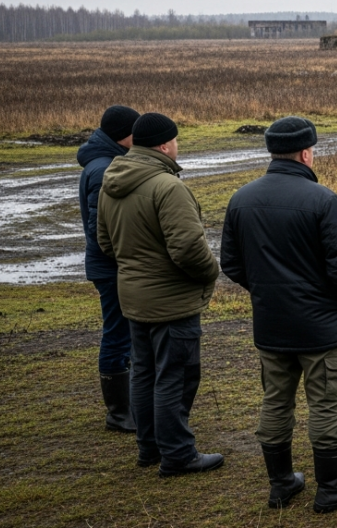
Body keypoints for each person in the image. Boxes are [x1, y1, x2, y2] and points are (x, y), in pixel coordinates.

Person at [220, 116, 337, 512]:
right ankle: (332, 489)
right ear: (307, 152)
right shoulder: (323, 199)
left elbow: (232, 264)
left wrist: (268, 293)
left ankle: (282, 484)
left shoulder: (241, 198)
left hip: (271, 322)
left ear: (272, 151)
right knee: (324, 404)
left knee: (275, 400)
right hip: (320, 326)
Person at [96, 112, 223, 477]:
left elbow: (106, 243)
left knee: (144, 372)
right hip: (171, 300)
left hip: (133, 297)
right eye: (176, 140)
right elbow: (187, 249)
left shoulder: (111, 181)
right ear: (166, 144)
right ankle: (178, 454)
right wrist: (211, 272)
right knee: (176, 376)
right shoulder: (168, 187)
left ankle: (148, 448)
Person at [77, 105, 139, 433]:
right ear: (123, 135)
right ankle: (119, 412)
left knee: (122, 332)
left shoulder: (106, 162)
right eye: (135, 131)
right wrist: (126, 258)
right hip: (110, 266)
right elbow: (100, 230)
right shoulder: (104, 169)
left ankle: (126, 407)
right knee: (117, 334)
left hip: (111, 264)